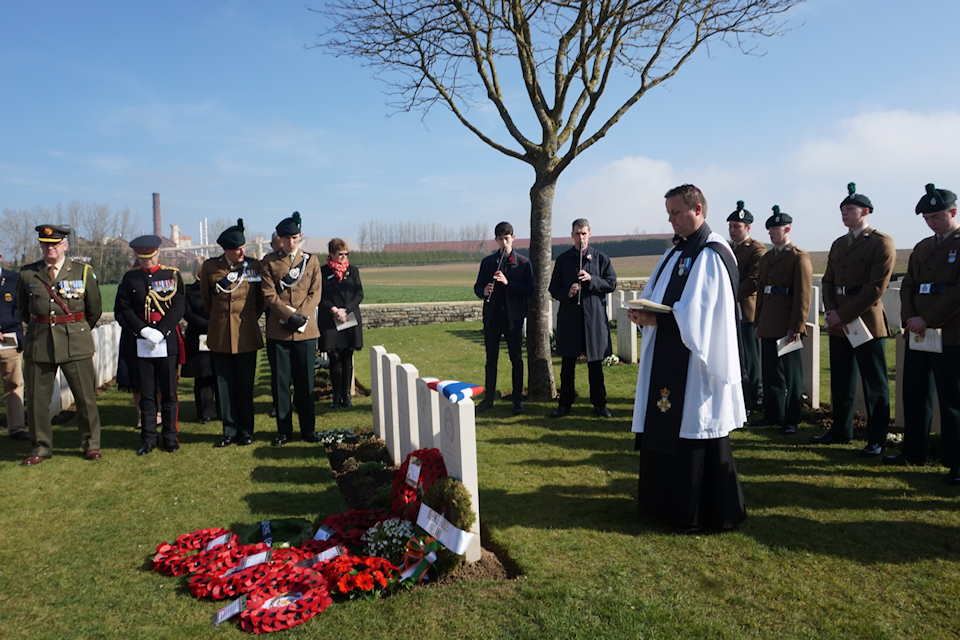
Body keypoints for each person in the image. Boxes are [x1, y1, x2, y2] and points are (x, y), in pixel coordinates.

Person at [627, 184, 746, 533]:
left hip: (696, 365)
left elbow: (700, 314)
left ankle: (698, 511)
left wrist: (658, 319)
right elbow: (655, 294)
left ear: (698, 209)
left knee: (694, 426)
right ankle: (662, 504)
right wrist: (642, 311)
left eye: (676, 212)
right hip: (667, 353)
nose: (671, 219)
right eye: (668, 213)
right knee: (666, 422)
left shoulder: (711, 253)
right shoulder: (674, 254)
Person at [884, 183, 960, 485]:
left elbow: (956, 293)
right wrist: (911, 320)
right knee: (914, 394)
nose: (932, 222)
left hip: (950, 334)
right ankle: (914, 450)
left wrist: (927, 319)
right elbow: (909, 288)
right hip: (918, 333)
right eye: (928, 218)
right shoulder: (923, 248)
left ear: (953, 212)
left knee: (952, 400)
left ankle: (955, 461)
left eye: (937, 216)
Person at [814, 183, 895, 456]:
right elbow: (828, 281)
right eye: (842, 210)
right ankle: (841, 430)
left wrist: (843, 314)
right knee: (841, 380)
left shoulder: (880, 242)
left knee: (874, 384)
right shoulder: (839, 243)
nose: (844, 214)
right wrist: (831, 311)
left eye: (850, 209)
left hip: (866, 323)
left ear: (866, 211)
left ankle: (876, 439)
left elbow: (875, 288)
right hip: (839, 323)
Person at [16, 224, 103, 465]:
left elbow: (94, 309)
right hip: (40, 342)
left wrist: (77, 328)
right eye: (45, 244)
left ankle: (91, 444)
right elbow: (24, 310)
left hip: (75, 341)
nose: (50, 248)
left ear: (65, 245)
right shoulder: (28, 274)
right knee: (36, 401)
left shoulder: (82, 272)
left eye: (54, 244)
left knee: (85, 398)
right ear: (41, 246)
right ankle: (41, 447)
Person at [115, 235, 186, 455]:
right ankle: (148, 438)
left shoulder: (171, 275)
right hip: (141, 341)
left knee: (168, 393)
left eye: (151, 256)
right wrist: (143, 330)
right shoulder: (130, 279)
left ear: (157, 253)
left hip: (166, 341)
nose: (147, 261)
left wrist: (161, 330)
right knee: (145, 392)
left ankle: (170, 437)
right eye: (142, 257)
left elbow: (178, 306)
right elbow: (123, 309)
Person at [199, 219, 265, 448]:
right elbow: (207, 300)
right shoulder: (210, 267)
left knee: (245, 385)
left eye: (243, 247)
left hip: (246, 332)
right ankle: (229, 430)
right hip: (220, 333)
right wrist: (221, 320)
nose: (241, 252)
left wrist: (247, 319)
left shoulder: (254, 266)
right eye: (237, 249)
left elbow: (261, 301)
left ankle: (246, 430)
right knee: (224, 385)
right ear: (225, 250)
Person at [261, 213, 322, 445]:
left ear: (301, 236)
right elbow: (268, 294)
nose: (291, 243)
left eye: (295, 238)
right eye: (286, 238)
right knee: (281, 383)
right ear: (280, 239)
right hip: (279, 331)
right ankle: (284, 431)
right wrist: (288, 316)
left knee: (305, 382)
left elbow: (315, 292)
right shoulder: (269, 262)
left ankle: (308, 429)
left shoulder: (312, 260)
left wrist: (302, 316)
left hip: (306, 331)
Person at [752, 206, 812, 435]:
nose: (771, 233)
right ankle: (773, 413)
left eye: (775, 229)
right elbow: (761, 293)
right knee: (771, 372)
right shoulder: (767, 258)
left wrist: (796, 326)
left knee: (791, 374)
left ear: (787, 229)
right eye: (769, 230)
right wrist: (758, 322)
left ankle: (791, 418)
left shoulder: (798, 257)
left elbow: (803, 294)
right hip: (768, 322)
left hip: (787, 323)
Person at [548, 218, 617, 418]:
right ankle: (565, 403)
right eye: (577, 234)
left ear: (590, 234)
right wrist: (567, 293)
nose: (581, 237)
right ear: (572, 235)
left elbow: (611, 283)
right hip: (570, 318)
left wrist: (592, 280)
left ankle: (599, 404)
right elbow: (554, 288)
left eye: (584, 233)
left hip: (592, 319)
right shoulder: (563, 260)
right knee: (568, 364)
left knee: (595, 364)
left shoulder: (601, 258)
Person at [473, 221, 535, 415]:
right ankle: (488, 399)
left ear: (513, 238)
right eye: (500, 240)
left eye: (507, 239)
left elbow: (529, 290)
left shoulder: (523, 263)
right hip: (492, 319)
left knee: (516, 359)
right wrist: (483, 290)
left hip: (513, 319)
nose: (504, 243)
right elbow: (477, 287)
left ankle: (517, 401)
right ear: (496, 240)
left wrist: (508, 283)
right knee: (491, 360)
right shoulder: (488, 262)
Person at [727, 201, 766, 415]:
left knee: (749, 358)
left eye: (737, 226)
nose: (733, 230)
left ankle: (751, 400)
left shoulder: (756, 249)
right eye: (731, 226)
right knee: (735, 357)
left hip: (746, 311)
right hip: (731, 312)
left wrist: (730, 296)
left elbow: (753, 280)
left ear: (748, 228)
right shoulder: (728, 248)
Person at [318, 238, 364, 409]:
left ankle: (346, 394)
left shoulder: (353, 271)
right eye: (340, 254)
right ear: (331, 255)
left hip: (349, 317)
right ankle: (336, 394)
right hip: (330, 318)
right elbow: (319, 295)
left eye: (346, 254)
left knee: (347, 355)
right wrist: (334, 309)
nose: (344, 257)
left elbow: (359, 294)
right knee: (334, 356)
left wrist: (345, 310)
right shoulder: (322, 272)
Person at [182, 256, 220, 424]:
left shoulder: (218, 289)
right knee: (203, 376)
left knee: (221, 375)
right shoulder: (188, 291)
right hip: (199, 336)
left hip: (220, 335)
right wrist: (208, 325)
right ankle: (205, 413)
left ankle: (223, 410)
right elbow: (188, 314)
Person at [0, 253, 27, 441]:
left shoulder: (13, 279)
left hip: (8, 341)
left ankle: (16, 427)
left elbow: (23, 309)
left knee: (14, 384)